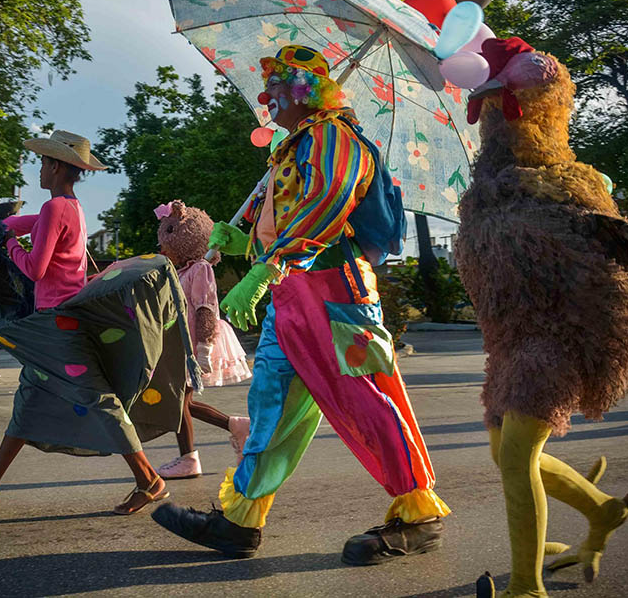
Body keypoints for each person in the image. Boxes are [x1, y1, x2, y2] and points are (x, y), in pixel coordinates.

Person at [152, 46, 450, 563]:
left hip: (338, 294)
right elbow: (280, 221)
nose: (267, 99)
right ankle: (241, 521)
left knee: (368, 403)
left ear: (303, 92)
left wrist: (266, 269)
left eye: (276, 89)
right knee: (271, 405)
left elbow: (326, 208)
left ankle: (419, 515)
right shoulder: (295, 146)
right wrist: (242, 239)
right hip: (292, 294)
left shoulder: (336, 138)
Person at [0, 130, 169, 515]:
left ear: (56, 166)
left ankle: (149, 480)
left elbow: (35, 269)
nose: (39, 170)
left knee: (99, 401)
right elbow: (19, 222)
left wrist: (6, 245)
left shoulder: (56, 209)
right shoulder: (70, 207)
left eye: (43, 164)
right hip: (56, 321)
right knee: (30, 400)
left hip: (59, 324)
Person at [151, 200, 251, 479]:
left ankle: (190, 458)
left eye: (170, 235)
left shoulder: (200, 269)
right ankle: (236, 426)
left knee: (179, 402)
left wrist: (204, 347)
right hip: (179, 343)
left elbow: (206, 306)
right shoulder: (180, 271)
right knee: (182, 402)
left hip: (195, 343)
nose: (164, 245)